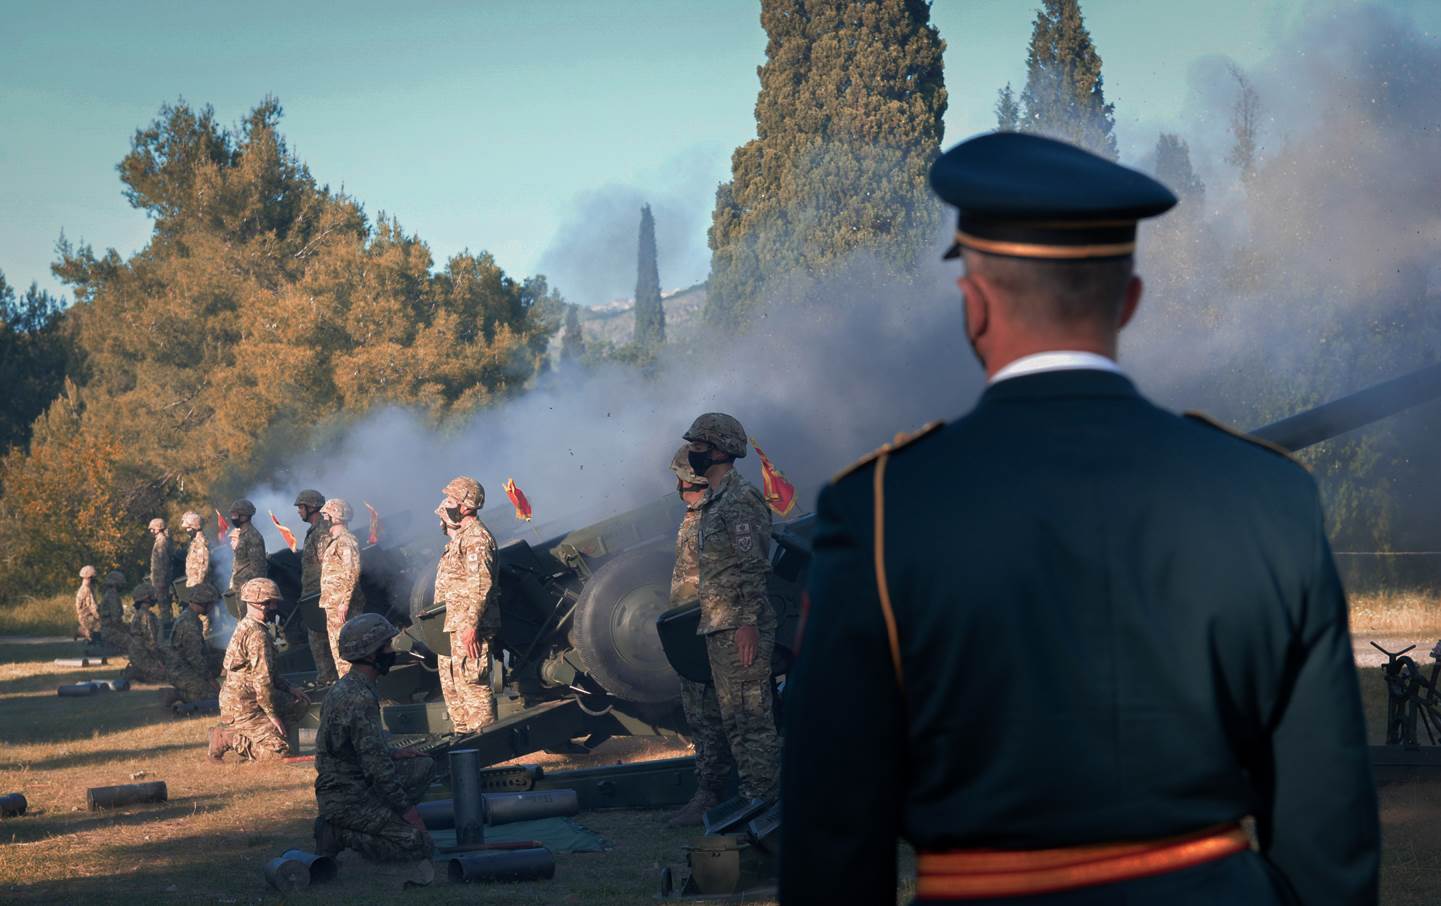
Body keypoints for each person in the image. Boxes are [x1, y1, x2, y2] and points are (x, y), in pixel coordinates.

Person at [778, 132, 1380, 905]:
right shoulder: (1267, 495)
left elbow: (832, 834)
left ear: (974, 305)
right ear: (1128, 301)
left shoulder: (878, 509)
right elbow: (1326, 826)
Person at [675, 413, 779, 812]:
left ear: (721, 450)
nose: (693, 453)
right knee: (733, 719)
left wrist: (748, 622)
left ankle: (763, 804)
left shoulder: (740, 499)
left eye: (699, 446)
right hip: (720, 625)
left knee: (750, 718)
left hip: (740, 626)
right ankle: (751, 801)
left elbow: (751, 565)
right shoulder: (715, 503)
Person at [313, 612, 434, 883]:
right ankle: (336, 833)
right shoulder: (359, 698)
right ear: (371, 654)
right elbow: (378, 770)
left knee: (422, 765)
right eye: (387, 645)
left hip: (348, 785)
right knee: (417, 845)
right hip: (346, 796)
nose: (392, 651)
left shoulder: (347, 687)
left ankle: (376, 822)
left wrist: (394, 753)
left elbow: (350, 749)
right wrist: (409, 814)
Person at [664, 445, 734, 826]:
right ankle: (708, 791)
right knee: (700, 715)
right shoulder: (694, 516)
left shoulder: (715, 514)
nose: (678, 487)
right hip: (690, 633)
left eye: (681, 479)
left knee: (716, 716)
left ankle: (715, 793)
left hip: (711, 629)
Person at [211, 577, 309, 761]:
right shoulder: (257, 635)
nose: (274, 607)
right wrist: (272, 715)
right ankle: (227, 738)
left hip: (251, 697)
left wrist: (289, 688)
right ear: (258, 603)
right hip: (243, 705)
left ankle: (280, 737)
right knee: (279, 754)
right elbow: (262, 681)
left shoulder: (251, 626)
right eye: (270, 602)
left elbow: (268, 673)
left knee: (299, 702)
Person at [433, 476, 500, 735]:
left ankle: (484, 745)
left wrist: (471, 625)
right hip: (457, 624)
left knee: (474, 687)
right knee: (456, 686)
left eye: (451, 500)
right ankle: (464, 744)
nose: (446, 504)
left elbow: (480, 585)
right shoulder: (462, 537)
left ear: (465, 506)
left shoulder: (477, 538)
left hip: (470, 627)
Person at [296, 489, 340, 684]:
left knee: (321, 641)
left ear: (311, 507)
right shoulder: (315, 530)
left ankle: (329, 679)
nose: (299, 511)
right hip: (315, 594)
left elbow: (327, 564)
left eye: (301, 507)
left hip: (321, 594)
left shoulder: (322, 530)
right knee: (319, 640)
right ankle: (328, 678)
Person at [318, 498, 364, 679]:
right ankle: (347, 683)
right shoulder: (334, 541)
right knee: (339, 651)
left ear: (337, 516)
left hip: (342, 607)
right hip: (333, 605)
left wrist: (345, 602)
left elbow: (352, 571)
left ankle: (353, 685)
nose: (324, 518)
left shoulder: (345, 540)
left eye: (327, 514)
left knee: (348, 650)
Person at [166, 582, 221, 704]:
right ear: (204, 602)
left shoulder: (190, 617)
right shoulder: (190, 624)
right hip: (180, 671)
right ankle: (179, 694)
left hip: (183, 667)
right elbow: (194, 658)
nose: (212, 607)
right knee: (212, 696)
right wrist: (211, 681)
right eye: (211, 603)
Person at [121, 582, 168, 683]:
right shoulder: (146, 616)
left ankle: (137, 671)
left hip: (139, 653)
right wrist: (160, 661)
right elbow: (151, 642)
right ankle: (136, 673)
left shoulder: (139, 614)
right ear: (147, 598)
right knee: (167, 675)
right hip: (143, 655)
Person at [227, 499, 267, 592]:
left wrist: (252, 591)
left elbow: (258, 569)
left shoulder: (253, 536)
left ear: (244, 516)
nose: (233, 518)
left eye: (235, 515)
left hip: (248, 590)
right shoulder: (242, 535)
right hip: (240, 588)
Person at [148, 517, 174, 617]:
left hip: (161, 580)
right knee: (164, 606)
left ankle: (166, 622)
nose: (151, 531)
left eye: (152, 529)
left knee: (164, 607)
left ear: (158, 528)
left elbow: (163, 563)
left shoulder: (161, 542)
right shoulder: (161, 541)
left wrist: (161, 581)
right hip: (160, 579)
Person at [181, 511, 210, 588]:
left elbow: (202, 568)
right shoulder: (194, 542)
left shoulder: (200, 543)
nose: (187, 530)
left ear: (195, 527)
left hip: (198, 585)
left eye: (189, 528)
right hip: (193, 583)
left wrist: (198, 587)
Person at [99, 569, 128, 643]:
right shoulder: (112, 596)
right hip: (111, 633)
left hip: (109, 631)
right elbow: (116, 620)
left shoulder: (110, 594)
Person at [74, 565, 101, 642]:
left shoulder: (83, 588)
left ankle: (82, 631)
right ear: (90, 578)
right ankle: (83, 632)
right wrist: (99, 616)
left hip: (84, 616)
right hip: (86, 617)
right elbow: (92, 607)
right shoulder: (87, 589)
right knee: (97, 635)